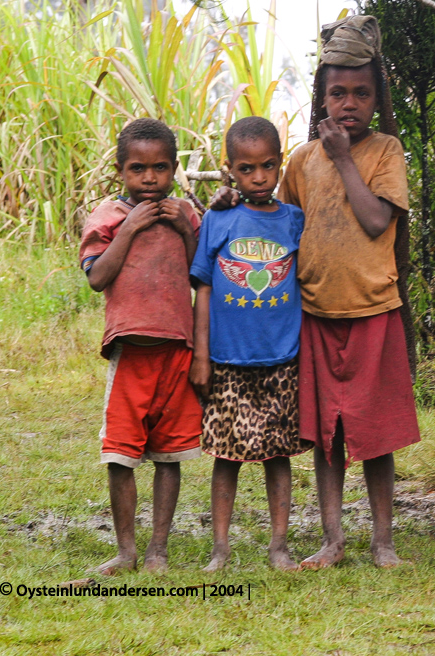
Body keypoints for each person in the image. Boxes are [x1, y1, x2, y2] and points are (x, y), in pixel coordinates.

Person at [287, 15, 420, 569]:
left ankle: (383, 541)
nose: (349, 104)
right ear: (321, 97)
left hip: (373, 312)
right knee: (326, 435)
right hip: (316, 313)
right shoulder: (300, 160)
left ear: (375, 97)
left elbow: (372, 222)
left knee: (376, 434)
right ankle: (333, 539)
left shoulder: (385, 152)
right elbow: (283, 229)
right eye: (337, 93)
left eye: (361, 94)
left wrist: (343, 158)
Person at [79, 117, 202, 575]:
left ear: (173, 170)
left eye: (160, 168)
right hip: (130, 352)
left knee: (170, 454)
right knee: (121, 454)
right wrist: (129, 229)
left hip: (178, 351)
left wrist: (188, 232)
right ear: (120, 171)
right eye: (138, 169)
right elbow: (97, 277)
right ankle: (126, 550)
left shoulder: (185, 214)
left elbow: (199, 275)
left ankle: (158, 550)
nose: (149, 179)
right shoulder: (108, 218)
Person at [189, 116, 307, 572]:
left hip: (282, 358)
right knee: (227, 456)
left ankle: (279, 546)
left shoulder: (293, 220)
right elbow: (201, 287)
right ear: (229, 170)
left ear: (279, 163)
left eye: (268, 166)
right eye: (246, 169)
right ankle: (220, 548)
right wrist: (201, 356)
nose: (258, 177)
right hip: (227, 360)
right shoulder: (218, 219)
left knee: (278, 455)